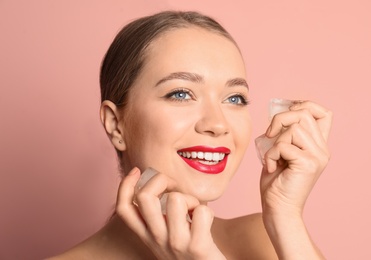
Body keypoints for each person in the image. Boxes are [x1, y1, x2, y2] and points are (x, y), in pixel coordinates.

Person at [50, 10, 332, 259]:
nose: (218, 124)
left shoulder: (266, 239)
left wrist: (285, 213)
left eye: (234, 98)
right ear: (115, 124)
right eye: (181, 94)